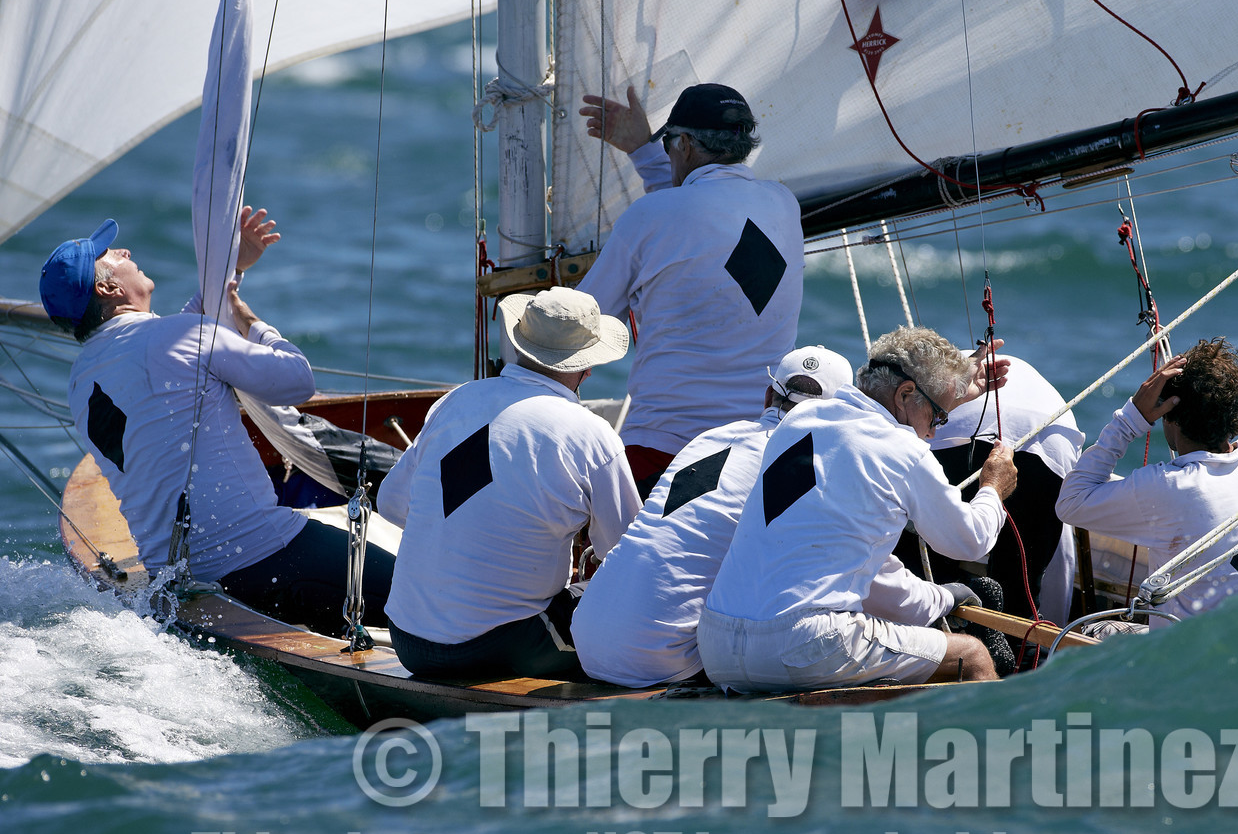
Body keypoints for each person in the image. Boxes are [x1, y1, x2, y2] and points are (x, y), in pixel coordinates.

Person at [40, 210, 394, 634]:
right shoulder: (177, 337)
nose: (125, 250)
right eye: (112, 253)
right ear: (108, 287)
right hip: (266, 558)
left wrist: (233, 264)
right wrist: (250, 321)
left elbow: (184, 335)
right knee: (429, 592)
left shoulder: (81, 381)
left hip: (181, 583)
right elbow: (298, 380)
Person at [572, 345, 973, 689]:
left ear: (767, 398)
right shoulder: (804, 459)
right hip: (663, 659)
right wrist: (943, 598)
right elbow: (879, 584)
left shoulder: (709, 438)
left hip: (589, 636)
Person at [698, 326, 1019, 692]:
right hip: (802, 646)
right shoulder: (903, 450)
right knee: (973, 656)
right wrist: (993, 488)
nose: (932, 433)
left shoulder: (800, 422)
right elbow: (971, 541)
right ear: (906, 393)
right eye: (938, 417)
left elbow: (875, 575)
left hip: (717, 647)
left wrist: (947, 390)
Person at [378, 288, 641, 681]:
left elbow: (391, 504)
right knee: (625, 607)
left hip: (409, 642)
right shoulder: (591, 434)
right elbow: (628, 556)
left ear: (519, 344)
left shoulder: (456, 401)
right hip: (507, 649)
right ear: (586, 367)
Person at [578, 83, 805, 497]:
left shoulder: (649, 217)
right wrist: (644, 149)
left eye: (668, 144)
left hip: (662, 454)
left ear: (682, 144)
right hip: (757, 454)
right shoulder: (784, 203)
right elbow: (698, 212)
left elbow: (580, 322)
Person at [1055, 337, 1238, 620]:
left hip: (1194, 659)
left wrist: (1131, 418)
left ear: (1169, 414)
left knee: (1096, 630)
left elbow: (1071, 502)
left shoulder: (1168, 487)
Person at [903, 353, 1086, 627]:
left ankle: (931, 636)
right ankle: (1017, 654)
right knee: (1019, 586)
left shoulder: (922, 390)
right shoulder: (1024, 377)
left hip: (956, 436)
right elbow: (1062, 552)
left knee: (925, 565)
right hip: (1051, 439)